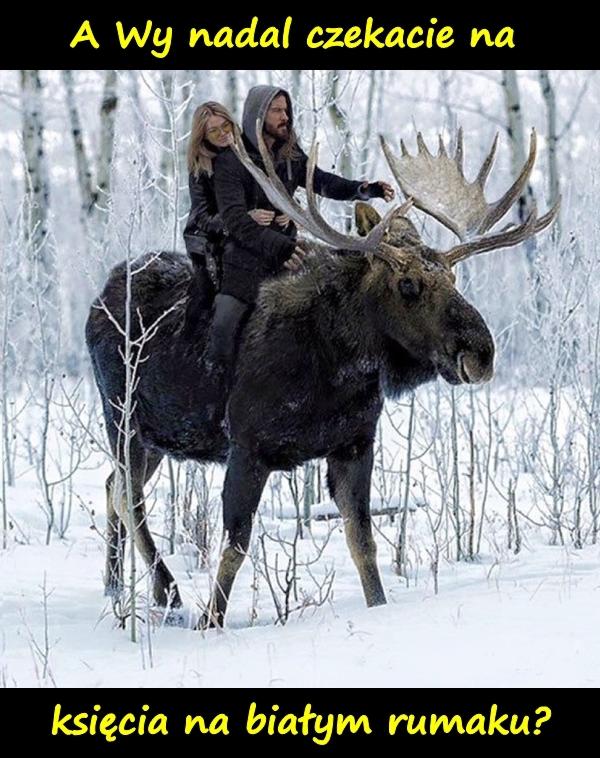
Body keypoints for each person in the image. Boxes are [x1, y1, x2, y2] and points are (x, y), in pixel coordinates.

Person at [203, 85, 394, 415]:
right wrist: (279, 244)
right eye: (276, 110)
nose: (285, 116)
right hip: (246, 266)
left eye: (285, 110)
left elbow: (320, 180)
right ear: (258, 116)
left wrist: (363, 190)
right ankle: (219, 406)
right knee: (223, 327)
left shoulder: (290, 155)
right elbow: (235, 220)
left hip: (287, 261)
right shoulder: (231, 162)